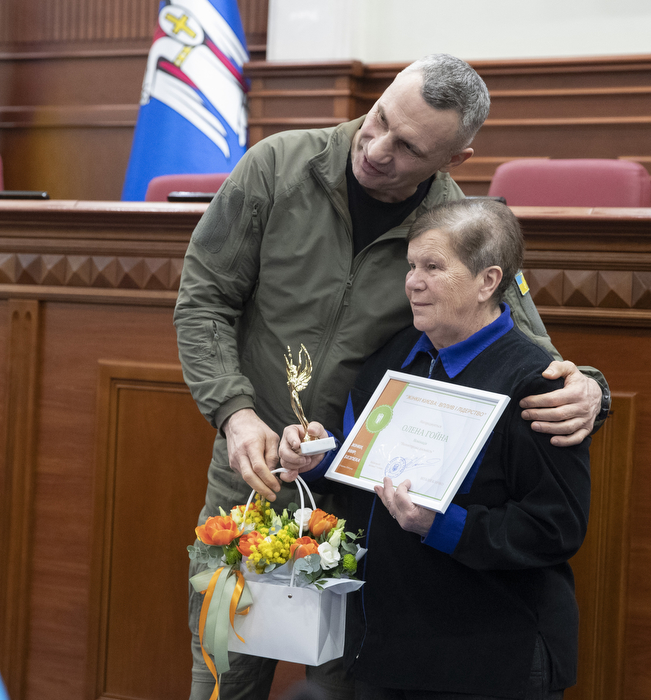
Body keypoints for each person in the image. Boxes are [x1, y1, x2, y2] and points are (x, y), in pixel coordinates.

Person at [174, 54, 607, 700]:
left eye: (407, 148)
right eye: (378, 120)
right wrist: (236, 413)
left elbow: (528, 346)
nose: (376, 149)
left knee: (341, 687)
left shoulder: (453, 229)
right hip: (254, 472)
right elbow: (203, 299)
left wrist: (591, 389)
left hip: (358, 504)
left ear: (452, 161)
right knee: (224, 676)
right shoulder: (277, 167)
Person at [279, 199, 590, 700]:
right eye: (411, 266)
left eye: (433, 267)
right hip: (385, 653)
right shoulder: (390, 358)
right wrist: (318, 460)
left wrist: (438, 525)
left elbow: (556, 527)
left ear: (488, 281)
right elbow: (363, 468)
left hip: (487, 662)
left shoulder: (537, 386)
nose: (413, 282)